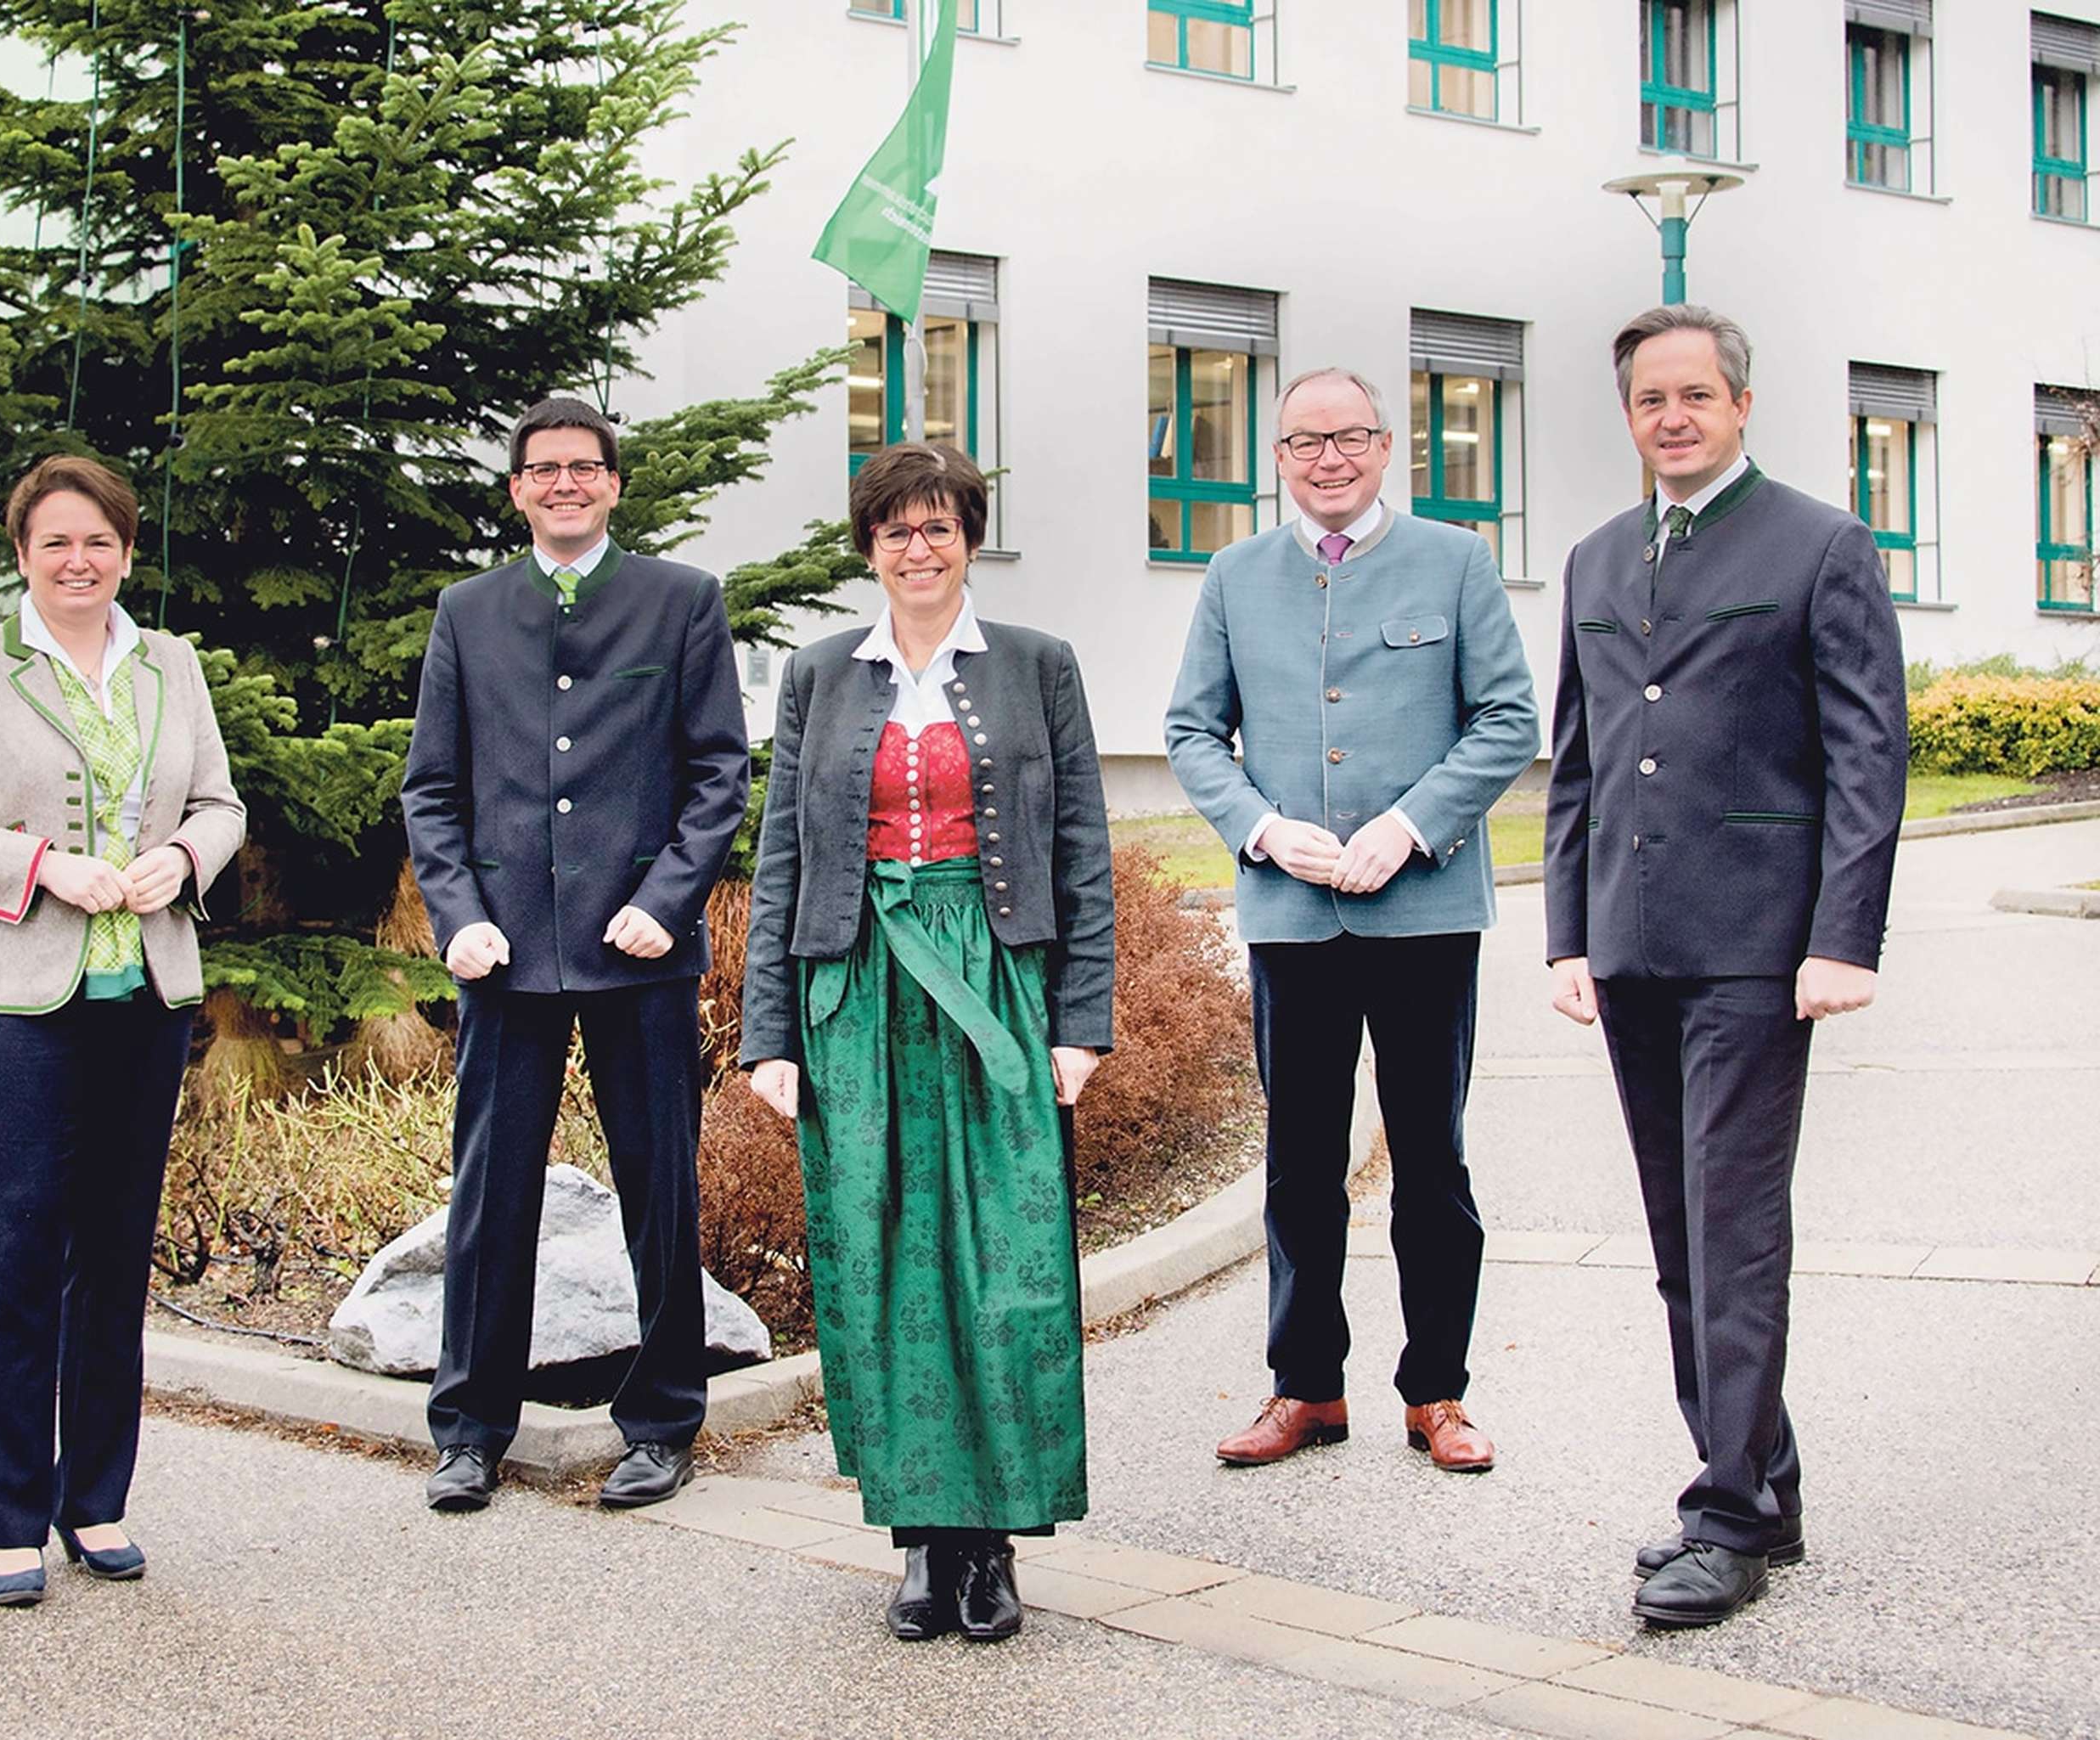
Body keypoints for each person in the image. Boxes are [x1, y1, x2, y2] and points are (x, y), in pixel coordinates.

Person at [1545, 305, 1906, 1629]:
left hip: (1760, 949)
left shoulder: (1821, 543)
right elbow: (1581, 754)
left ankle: (1728, 1515)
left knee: (1735, 1229)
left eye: (1697, 395)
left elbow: (1870, 756)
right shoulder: (1593, 557)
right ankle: (1765, 1476)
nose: (1674, 417)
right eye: (1652, 400)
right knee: (1677, 1234)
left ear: (1741, 404)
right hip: (1634, 944)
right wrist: (1569, 932)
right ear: (1630, 415)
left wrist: (1842, 939)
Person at [741, 441, 1114, 1644]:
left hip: (994, 985)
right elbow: (784, 859)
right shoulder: (817, 676)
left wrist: (1081, 1019)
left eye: (940, 526)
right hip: (856, 991)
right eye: (897, 529)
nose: (918, 547)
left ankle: (994, 1539)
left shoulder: (1038, 668)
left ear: (969, 539)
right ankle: (917, 1539)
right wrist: (770, 1030)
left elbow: (1082, 850)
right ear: (870, 546)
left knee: (1004, 1268)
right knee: (882, 1262)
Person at [0, 455, 244, 1605]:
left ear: (127, 552)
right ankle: (9, 1513)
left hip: (144, 1001)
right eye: (55, 543)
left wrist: (182, 858)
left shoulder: (169, 664)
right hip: (7, 1008)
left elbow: (221, 805)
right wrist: (42, 866)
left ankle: (96, 1497)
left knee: (114, 1254)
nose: (78, 560)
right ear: (22, 554)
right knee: (20, 1252)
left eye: (99, 541)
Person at [1165, 368, 1538, 1478]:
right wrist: (1265, 830)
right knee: (1298, 1164)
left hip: (1424, 910)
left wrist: (1416, 826)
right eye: (1303, 441)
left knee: (1432, 1160)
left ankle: (1438, 1389)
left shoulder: (1456, 560)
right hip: (1292, 916)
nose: (1327, 457)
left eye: (1349, 438)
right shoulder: (1235, 575)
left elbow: (1509, 715)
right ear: (1277, 457)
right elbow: (1191, 730)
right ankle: (1306, 1385)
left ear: (1387, 448)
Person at [402, 396, 749, 1515]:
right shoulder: (468, 611)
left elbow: (717, 773)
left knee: (660, 1190)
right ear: (516, 490)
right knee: (490, 1194)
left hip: (637, 949)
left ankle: (662, 1420)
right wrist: (456, 916)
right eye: (542, 469)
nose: (563, 484)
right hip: (502, 957)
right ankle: (468, 1426)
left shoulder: (681, 601)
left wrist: (667, 897)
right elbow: (433, 788)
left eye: (582, 467)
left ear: (612, 483)